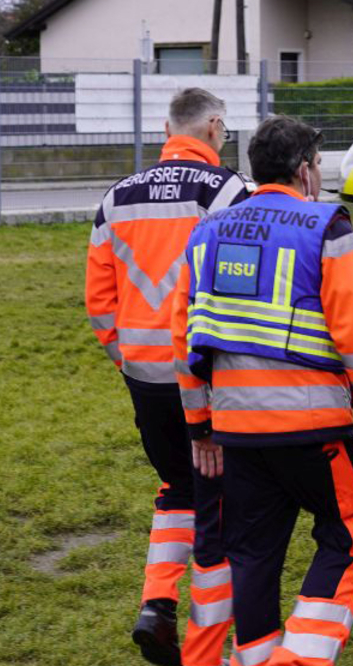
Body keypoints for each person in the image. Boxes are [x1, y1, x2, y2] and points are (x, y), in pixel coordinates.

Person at [172, 115, 353, 666]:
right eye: (319, 165)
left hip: (235, 430)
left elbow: (184, 338)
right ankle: (297, 658)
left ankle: (254, 658)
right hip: (312, 429)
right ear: (305, 170)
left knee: (251, 555)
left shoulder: (206, 233)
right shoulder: (326, 228)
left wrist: (199, 426)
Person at [85, 87, 251, 666]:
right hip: (209, 372)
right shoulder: (229, 190)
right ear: (211, 126)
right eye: (224, 129)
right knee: (223, 498)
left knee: (176, 487)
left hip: (144, 373)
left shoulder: (116, 198)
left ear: (166, 127)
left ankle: (156, 604)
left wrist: (126, 354)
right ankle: (230, 639)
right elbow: (244, 282)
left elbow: (98, 300)